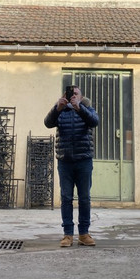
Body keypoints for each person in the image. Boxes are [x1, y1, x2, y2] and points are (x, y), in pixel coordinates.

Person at [44, 85, 99, 247]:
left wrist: (79, 108)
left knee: (84, 198)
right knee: (66, 198)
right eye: (70, 94)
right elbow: (48, 123)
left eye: (76, 94)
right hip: (65, 161)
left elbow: (94, 122)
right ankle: (67, 234)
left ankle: (84, 233)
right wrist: (57, 108)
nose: (72, 96)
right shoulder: (60, 110)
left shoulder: (88, 109)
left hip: (84, 160)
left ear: (81, 97)